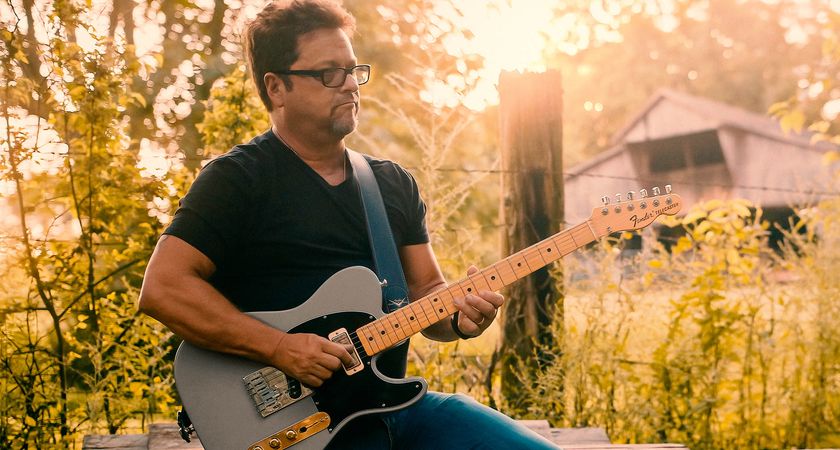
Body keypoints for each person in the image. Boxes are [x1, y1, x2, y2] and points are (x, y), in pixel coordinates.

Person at [138, 0, 559, 448]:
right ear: (276, 87)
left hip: (390, 408)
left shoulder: (391, 184)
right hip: (301, 429)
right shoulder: (238, 179)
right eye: (328, 73)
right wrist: (278, 348)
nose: (350, 85)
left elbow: (426, 295)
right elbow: (164, 289)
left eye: (353, 70)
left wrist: (459, 317)